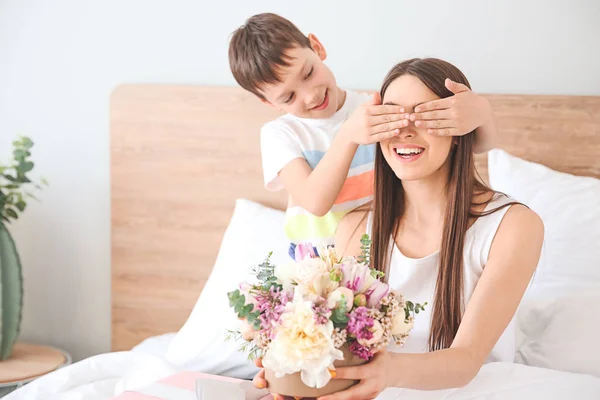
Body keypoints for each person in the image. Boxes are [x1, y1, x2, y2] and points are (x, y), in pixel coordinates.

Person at [252, 58, 544, 400]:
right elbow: (347, 347)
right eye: (392, 115)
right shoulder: (356, 228)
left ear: (457, 129)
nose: (405, 129)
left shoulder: (512, 226)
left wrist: (386, 372)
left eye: (425, 115)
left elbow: (465, 362)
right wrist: (297, 370)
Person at [229, 14, 499, 258]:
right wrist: (348, 135)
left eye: (308, 73)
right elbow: (314, 202)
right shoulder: (281, 134)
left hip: (383, 250)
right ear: (269, 104)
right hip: (317, 267)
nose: (310, 95)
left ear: (317, 48)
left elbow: (478, 146)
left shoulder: (374, 105)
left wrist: (482, 113)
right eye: (288, 96)